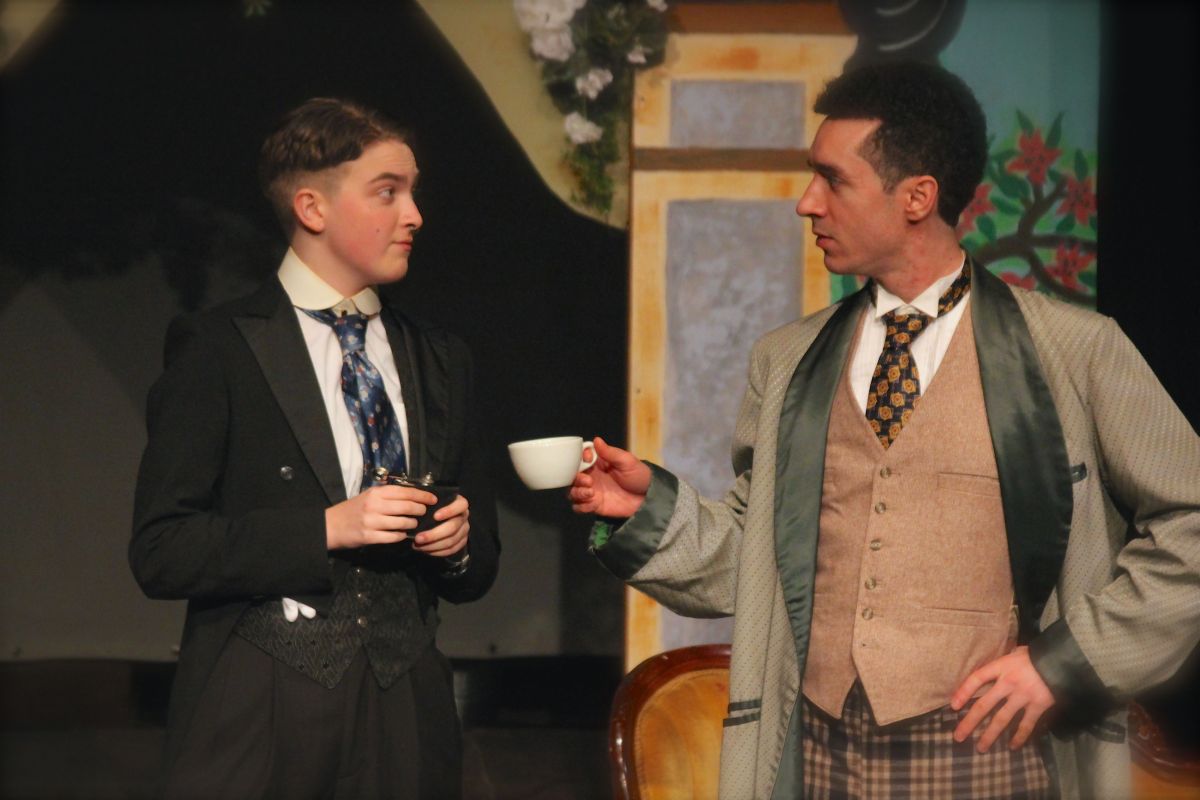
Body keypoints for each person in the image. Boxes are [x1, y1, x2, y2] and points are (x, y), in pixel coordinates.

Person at [570, 62, 1200, 799]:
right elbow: (761, 554)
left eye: (833, 180)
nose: (807, 202)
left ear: (917, 197)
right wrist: (646, 512)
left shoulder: (1074, 351)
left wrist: (1065, 662)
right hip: (820, 755)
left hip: (989, 758)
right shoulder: (789, 360)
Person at [130, 97, 499, 799]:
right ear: (312, 208)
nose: (414, 214)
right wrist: (327, 528)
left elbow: (480, 564)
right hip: (263, 700)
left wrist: (457, 542)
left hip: (407, 705)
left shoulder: (440, 356)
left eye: (413, 191)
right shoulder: (219, 348)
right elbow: (161, 548)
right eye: (387, 192)